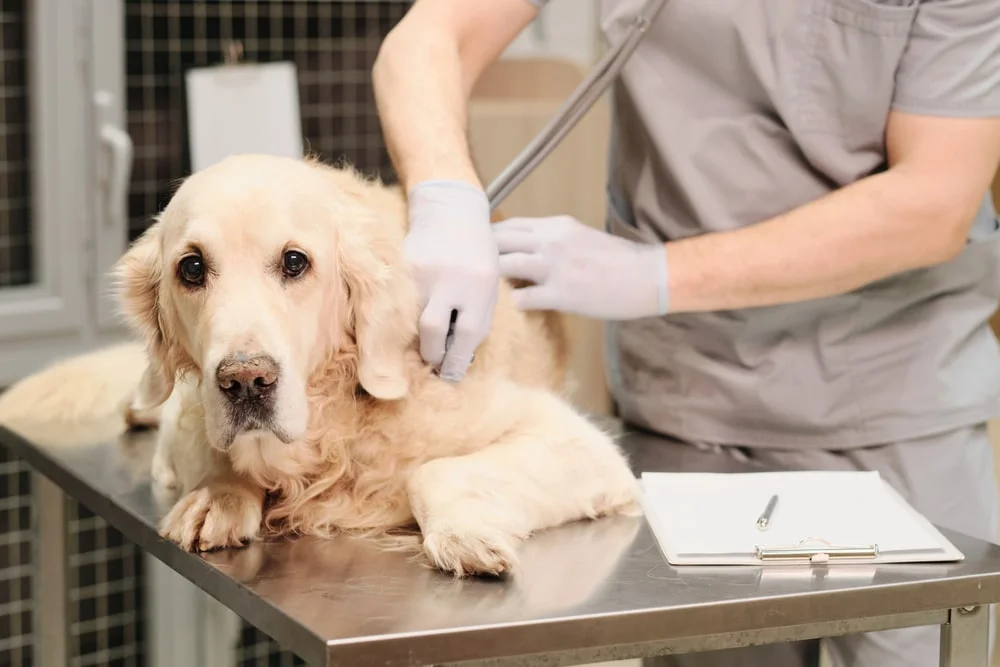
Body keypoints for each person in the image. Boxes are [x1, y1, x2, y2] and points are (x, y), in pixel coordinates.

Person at [371, 0, 1000, 664]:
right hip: (687, 406)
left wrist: (655, 274)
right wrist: (445, 194)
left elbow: (934, 203)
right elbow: (431, 35)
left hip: (889, 400)